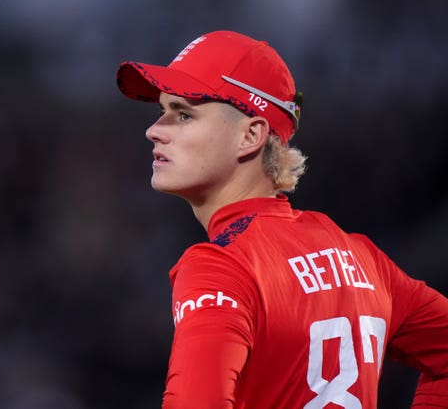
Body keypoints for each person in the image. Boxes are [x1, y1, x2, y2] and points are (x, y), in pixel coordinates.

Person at [115, 30, 448, 408]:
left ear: (251, 136)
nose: (153, 130)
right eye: (162, 112)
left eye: (184, 114)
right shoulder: (359, 256)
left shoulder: (223, 265)